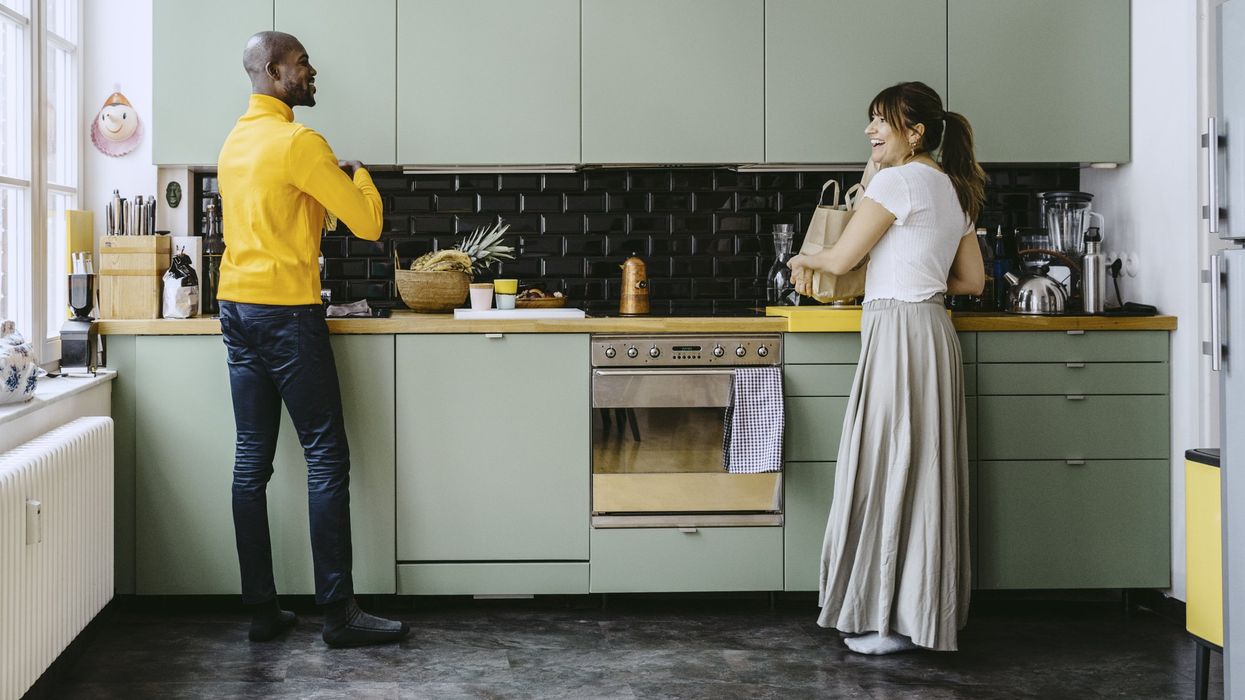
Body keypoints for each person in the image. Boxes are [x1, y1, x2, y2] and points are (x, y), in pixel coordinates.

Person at [216, 31, 408, 648]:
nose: (312, 70)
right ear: (275, 72)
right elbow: (369, 223)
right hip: (285, 313)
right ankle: (338, 614)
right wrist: (363, 177)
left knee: (252, 460)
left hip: (235, 309)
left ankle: (263, 610)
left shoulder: (235, 140)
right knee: (326, 456)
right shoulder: (299, 141)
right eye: (302, 64)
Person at [788, 81, 986, 655]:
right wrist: (917, 272)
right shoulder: (951, 187)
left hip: (896, 331)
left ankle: (882, 621)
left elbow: (843, 256)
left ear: (915, 131)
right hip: (933, 330)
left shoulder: (898, 181)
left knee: (886, 466)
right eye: (871, 121)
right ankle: (916, 614)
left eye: (881, 122)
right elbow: (972, 282)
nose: (871, 131)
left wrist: (805, 257)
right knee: (922, 470)